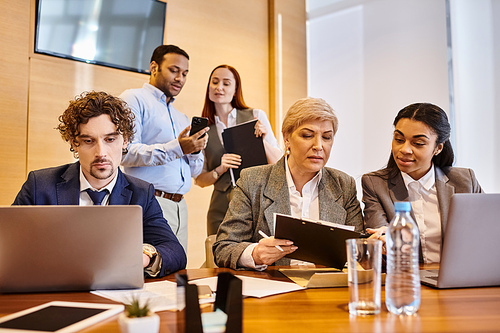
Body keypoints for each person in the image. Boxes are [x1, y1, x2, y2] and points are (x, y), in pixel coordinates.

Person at [13, 91, 186, 278]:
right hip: (51, 289)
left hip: (115, 296)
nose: (101, 152)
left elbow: (174, 251)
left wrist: (144, 257)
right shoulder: (40, 185)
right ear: (74, 143)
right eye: (88, 141)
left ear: (125, 140)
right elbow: (9, 245)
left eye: (110, 139)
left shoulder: (141, 193)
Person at [213, 97, 363, 270]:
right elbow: (223, 248)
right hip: (273, 289)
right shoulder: (252, 181)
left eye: (327, 137)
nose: (318, 146)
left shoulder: (344, 185)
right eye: (307, 135)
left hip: (326, 289)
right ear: (286, 138)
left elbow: (360, 248)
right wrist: (255, 253)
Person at [362, 102, 483, 263]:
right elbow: (378, 232)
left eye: (418, 143)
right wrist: (383, 238)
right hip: (406, 278)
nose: (404, 149)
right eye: (399, 139)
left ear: (438, 148)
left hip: (461, 278)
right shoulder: (375, 184)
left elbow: (486, 231)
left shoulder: (465, 181)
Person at [120, 45, 209, 251]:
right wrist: (178, 147)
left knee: (177, 271)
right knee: (151, 270)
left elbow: (195, 172)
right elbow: (125, 153)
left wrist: (194, 150)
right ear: (154, 67)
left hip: (180, 207)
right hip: (151, 202)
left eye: (185, 73)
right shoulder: (133, 99)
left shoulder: (182, 118)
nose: (180, 78)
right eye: (174, 70)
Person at [194, 64, 282, 235]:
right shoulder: (204, 130)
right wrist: (220, 168)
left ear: (235, 89)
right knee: (218, 259)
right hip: (220, 209)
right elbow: (199, 180)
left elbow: (279, 161)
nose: (219, 87)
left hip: (256, 203)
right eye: (215, 82)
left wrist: (261, 142)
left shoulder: (255, 116)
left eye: (226, 83)